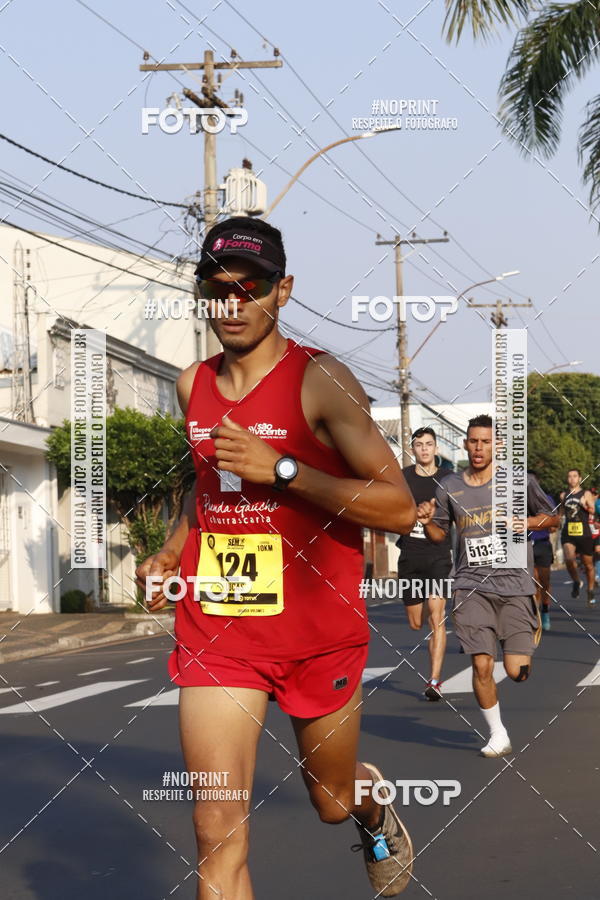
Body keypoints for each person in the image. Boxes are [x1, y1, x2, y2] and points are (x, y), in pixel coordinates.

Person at [135, 217, 417, 899]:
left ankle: (372, 807)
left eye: (250, 287)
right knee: (215, 829)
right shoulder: (192, 385)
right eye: (217, 290)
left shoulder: (321, 380)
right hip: (220, 631)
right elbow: (206, 485)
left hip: (318, 634)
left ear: (282, 291)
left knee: (331, 799)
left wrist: (284, 470)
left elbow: (398, 507)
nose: (232, 304)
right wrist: (171, 549)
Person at [415, 414, 559, 758]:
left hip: (515, 585)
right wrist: (426, 522)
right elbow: (439, 535)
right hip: (470, 586)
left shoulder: (519, 481)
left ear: (497, 445)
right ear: (465, 444)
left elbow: (553, 518)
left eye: (486, 441)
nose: (479, 448)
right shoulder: (449, 486)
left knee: (516, 672)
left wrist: (526, 521)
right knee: (481, 665)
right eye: (473, 441)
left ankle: (528, 627)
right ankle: (498, 733)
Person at [396, 427, 452, 700]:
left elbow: (458, 513)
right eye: (419, 445)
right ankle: (433, 677)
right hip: (410, 554)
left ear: (436, 448)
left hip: (438, 554)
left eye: (429, 444)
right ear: (413, 449)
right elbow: (392, 509)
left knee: (436, 618)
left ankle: (434, 681)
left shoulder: (447, 479)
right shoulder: (402, 477)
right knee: (416, 623)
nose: (425, 449)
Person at [559, 469, 596, 606]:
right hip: (568, 532)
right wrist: (556, 522)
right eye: (569, 476)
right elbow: (561, 512)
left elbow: (593, 511)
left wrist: (584, 504)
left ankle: (590, 590)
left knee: (588, 565)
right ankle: (576, 581)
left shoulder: (586, 493)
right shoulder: (563, 495)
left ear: (580, 478)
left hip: (583, 533)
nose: (572, 479)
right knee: (569, 559)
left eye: (575, 476)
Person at [528, 471, 557, 631]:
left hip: (543, 544)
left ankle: (545, 610)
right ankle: (535, 613)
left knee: (544, 581)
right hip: (526, 545)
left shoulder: (547, 499)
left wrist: (549, 525)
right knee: (533, 581)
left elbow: (555, 523)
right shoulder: (517, 500)